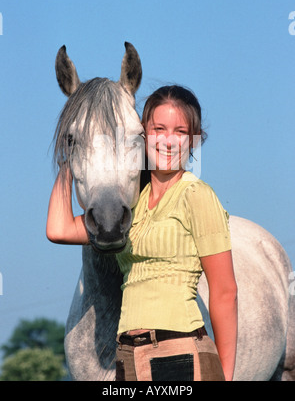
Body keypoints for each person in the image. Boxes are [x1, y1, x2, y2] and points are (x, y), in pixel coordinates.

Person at [46, 85, 238, 381]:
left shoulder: (196, 195)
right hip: (132, 356)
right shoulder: (132, 209)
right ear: (143, 136)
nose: (168, 141)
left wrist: (225, 375)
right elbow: (58, 229)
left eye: (181, 132)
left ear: (194, 140)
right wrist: (71, 150)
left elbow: (225, 292)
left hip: (181, 352)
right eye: (159, 129)